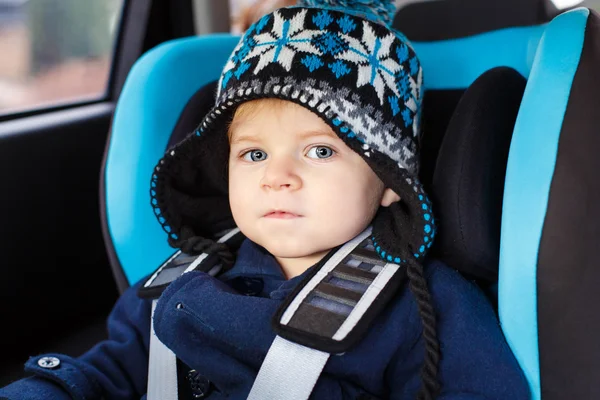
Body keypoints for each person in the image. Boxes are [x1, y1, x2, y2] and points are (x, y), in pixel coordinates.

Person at [0, 0, 530, 399]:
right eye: (253, 155)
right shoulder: (179, 281)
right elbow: (103, 373)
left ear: (391, 180)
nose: (278, 177)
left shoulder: (426, 306)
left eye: (320, 151)